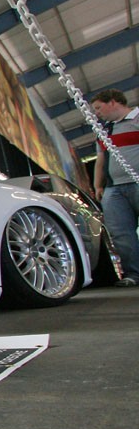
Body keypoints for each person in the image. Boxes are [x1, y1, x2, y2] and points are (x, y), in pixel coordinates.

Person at [91, 89, 139, 287]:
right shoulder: (104, 131)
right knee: (120, 233)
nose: (96, 113)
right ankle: (134, 274)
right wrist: (98, 185)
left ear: (112, 102)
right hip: (114, 189)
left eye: (98, 108)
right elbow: (100, 159)